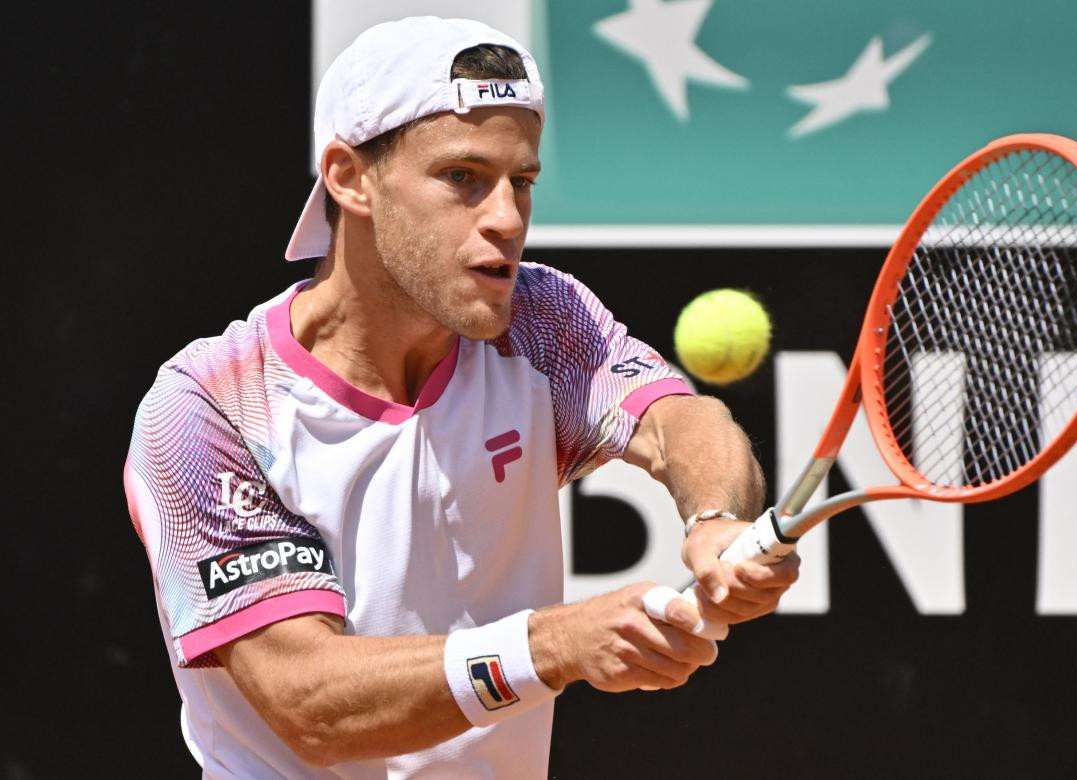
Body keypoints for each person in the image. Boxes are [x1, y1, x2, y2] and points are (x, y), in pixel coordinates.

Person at [124, 16, 799, 779]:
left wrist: (716, 519)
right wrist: (553, 646)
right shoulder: (208, 408)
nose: (508, 219)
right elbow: (308, 703)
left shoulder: (543, 322)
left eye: (523, 182)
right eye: (463, 179)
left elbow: (683, 423)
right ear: (349, 177)